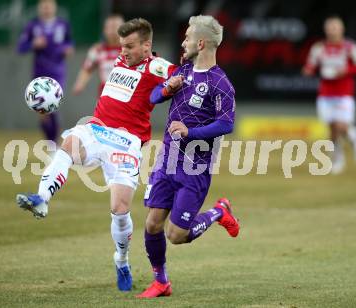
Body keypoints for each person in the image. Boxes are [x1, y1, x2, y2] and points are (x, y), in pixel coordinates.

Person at [16, 18, 176, 292]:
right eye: (122, 45)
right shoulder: (119, 59)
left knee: (120, 209)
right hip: (97, 128)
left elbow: (179, 77)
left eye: (129, 46)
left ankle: (122, 259)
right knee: (68, 146)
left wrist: (168, 87)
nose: (122, 51)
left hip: (126, 142)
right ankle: (42, 198)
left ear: (147, 45)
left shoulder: (157, 66)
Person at [137, 15, 240, 298]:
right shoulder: (183, 70)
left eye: (187, 37)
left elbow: (226, 124)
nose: (183, 42)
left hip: (195, 168)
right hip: (167, 160)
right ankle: (161, 282)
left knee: (177, 235)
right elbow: (153, 98)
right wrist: (168, 88)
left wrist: (189, 131)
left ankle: (219, 212)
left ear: (201, 42)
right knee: (152, 223)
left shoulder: (221, 83)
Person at [302, 15, 356, 174]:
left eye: (335, 27)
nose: (332, 31)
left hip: (344, 92)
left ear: (341, 29)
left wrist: (346, 71)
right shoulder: (318, 47)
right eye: (329, 28)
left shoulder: (350, 47)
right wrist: (308, 70)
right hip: (325, 94)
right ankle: (338, 158)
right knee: (333, 129)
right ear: (325, 30)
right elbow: (310, 65)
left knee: (342, 125)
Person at [17, 0, 74, 143]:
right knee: (41, 110)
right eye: (44, 7)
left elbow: (69, 42)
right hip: (40, 72)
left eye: (49, 6)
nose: (47, 9)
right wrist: (33, 44)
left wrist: (68, 49)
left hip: (57, 72)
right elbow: (21, 47)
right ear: (39, 8)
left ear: (55, 8)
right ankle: (51, 143)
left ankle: (54, 144)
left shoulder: (63, 25)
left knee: (52, 106)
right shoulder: (33, 26)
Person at [72, 15, 124, 97]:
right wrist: (80, 83)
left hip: (125, 96)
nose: (113, 30)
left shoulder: (129, 49)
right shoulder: (97, 50)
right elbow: (87, 69)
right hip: (104, 96)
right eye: (110, 27)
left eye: (116, 26)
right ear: (104, 30)